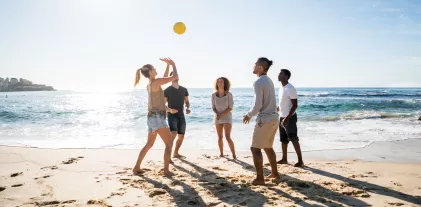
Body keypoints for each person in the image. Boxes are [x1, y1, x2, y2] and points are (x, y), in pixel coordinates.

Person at [132, 57, 179, 177]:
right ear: (151, 72)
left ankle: (136, 167)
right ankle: (166, 170)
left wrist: (168, 109)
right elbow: (173, 78)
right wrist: (173, 64)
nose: (155, 69)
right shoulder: (156, 82)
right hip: (157, 118)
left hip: (151, 117)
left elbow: (162, 82)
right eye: (154, 68)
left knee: (149, 144)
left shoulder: (151, 84)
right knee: (169, 144)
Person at [243, 57, 280, 185]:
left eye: (254, 65)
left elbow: (258, 104)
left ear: (260, 67)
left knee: (255, 149)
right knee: (268, 147)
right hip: (274, 118)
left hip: (265, 119)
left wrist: (249, 115)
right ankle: (275, 173)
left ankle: (260, 178)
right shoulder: (269, 81)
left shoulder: (258, 82)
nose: (253, 66)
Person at [277, 69, 304, 167]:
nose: (278, 75)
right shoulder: (281, 88)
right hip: (281, 116)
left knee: (293, 138)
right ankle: (284, 159)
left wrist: (287, 118)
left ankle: (300, 161)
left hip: (290, 118)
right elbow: (284, 103)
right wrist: (278, 108)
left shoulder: (290, 88)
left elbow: (295, 105)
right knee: (283, 139)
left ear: (286, 76)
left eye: (281, 74)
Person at [164, 71, 190, 159]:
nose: (176, 77)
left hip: (181, 115)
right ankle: (168, 155)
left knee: (181, 135)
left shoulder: (184, 89)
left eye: (177, 75)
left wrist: (187, 108)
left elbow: (186, 101)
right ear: (170, 78)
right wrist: (170, 110)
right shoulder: (167, 90)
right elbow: (162, 105)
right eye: (173, 76)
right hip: (171, 115)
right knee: (173, 133)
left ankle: (176, 153)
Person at [211, 77, 237, 159]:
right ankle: (221, 153)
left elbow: (230, 108)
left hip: (227, 117)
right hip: (217, 117)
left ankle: (234, 154)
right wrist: (216, 114)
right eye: (218, 82)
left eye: (221, 82)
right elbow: (213, 107)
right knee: (220, 137)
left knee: (227, 136)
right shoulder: (213, 95)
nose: (220, 83)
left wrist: (221, 114)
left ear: (224, 83)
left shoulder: (229, 94)